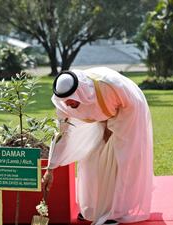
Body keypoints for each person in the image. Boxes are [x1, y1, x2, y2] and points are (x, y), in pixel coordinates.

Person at [42, 67, 153, 225]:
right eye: (64, 100)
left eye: (70, 98)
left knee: (120, 159)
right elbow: (62, 135)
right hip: (99, 116)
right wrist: (50, 169)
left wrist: (110, 129)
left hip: (129, 111)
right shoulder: (64, 105)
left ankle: (115, 212)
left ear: (80, 91)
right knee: (91, 159)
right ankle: (92, 209)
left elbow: (124, 106)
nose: (68, 103)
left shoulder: (110, 86)